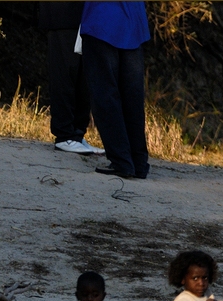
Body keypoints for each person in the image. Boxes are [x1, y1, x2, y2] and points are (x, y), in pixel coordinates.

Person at [80, 1, 150, 179]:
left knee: (105, 95)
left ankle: (121, 160)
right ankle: (138, 161)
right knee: (132, 96)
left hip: (102, 19)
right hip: (134, 20)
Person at [38, 2, 104, 155]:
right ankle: (64, 135)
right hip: (63, 14)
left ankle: (77, 134)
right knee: (65, 73)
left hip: (87, 16)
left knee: (84, 79)